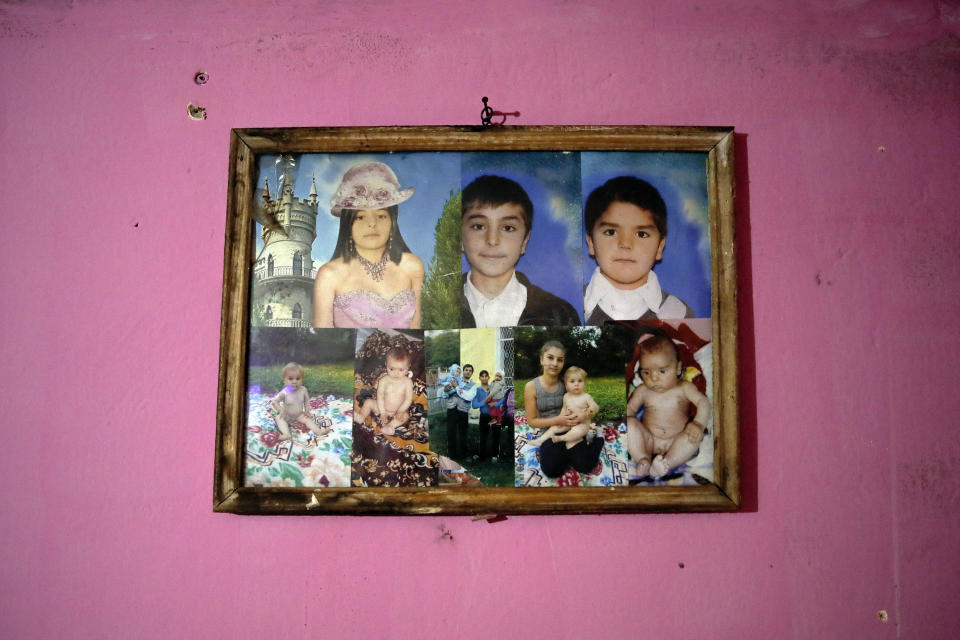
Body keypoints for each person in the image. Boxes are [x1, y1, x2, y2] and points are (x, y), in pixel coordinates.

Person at [313, 161, 424, 328]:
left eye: (381, 216)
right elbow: (322, 340)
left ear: (392, 221)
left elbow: (418, 329)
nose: (372, 224)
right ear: (347, 224)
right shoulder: (329, 275)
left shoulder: (412, 266)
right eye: (360, 217)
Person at [459, 175, 580, 327]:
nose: (492, 240)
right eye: (478, 226)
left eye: (508, 228)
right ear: (460, 238)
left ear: (524, 241)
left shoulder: (560, 313)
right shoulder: (438, 305)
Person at [583, 176, 695, 325]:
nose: (625, 244)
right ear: (591, 242)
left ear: (660, 247)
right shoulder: (571, 306)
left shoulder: (678, 313)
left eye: (641, 234)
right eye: (611, 232)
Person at [625, 335, 711, 479]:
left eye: (662, 371)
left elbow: (703, 402)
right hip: (649, 441)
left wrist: (698, 424)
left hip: (676, 442)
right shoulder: (643, 390)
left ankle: (666, 464)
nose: (653, 378)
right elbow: (630, 411)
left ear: (678, 368)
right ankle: (643, 459)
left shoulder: (684, 388)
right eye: (646, 372)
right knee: (628, 423)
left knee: (693, 439)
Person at [523, 342, 604, 478]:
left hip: (573, 428)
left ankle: (598, 440)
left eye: (560, 360)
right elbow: (531, 421)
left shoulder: (568, 383)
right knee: (552, 470)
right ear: (541, 359)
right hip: (550, 431)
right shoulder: (531, 386)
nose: (555, 363)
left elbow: (586, 404)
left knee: (585, 465)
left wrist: (584, 416)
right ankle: (566, 453)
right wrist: (559, 420)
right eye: (550, 358)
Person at [526, 366, 599, 449]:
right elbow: (564, 409)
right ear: (566, 384)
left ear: (584, 383)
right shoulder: (566, 396)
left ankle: (562, 438)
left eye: (580, 381)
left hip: (581, 424)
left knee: (576, 432)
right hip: (568, 422)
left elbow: (595, 407)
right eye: (572, 381)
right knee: (554, 428)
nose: (576, 384)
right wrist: (561, 418)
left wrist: (587, 413)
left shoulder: (586, 397)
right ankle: (540, 440)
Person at [270, 363, 331, 442]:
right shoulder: (286, 391)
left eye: (298, 378)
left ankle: (318, 431)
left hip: (299, 414)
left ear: (302, 379)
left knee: (308, 420)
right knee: (278, 418)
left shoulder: (303, 390)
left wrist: (307, 411)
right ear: (284, 381)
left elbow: (306, 401)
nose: (294, 381)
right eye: (290, 379)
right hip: (287, 414)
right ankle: (286, 434)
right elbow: (274, 401)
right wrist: (280, 409)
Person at [376, 347, 414, 435]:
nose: (396, 373)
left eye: (401, 370)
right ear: (386, 365)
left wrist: (400, 411)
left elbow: (408, 399)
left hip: (397, 411)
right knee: (368, 403)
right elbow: (380, 397)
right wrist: (382, 413)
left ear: (408, 367)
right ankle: (361, 416)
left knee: (406, 416)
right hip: (382, 408)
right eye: (392, 369)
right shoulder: (383, 380)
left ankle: (390, 426)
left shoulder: (407, 382)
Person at [442, 363, 477, 459]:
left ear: (472, 373)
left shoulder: (473, 386)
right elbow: (446, 395)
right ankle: (451, 455)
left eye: (470, 371)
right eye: (466, 370)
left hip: (463, 411)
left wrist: (457, 387)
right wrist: (445, 391)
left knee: (463, 433)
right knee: (451, 432)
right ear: (463, 371)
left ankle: (464, 454)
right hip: (452, 409)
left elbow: (469, 397)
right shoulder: (454, 379)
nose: (468, 372)